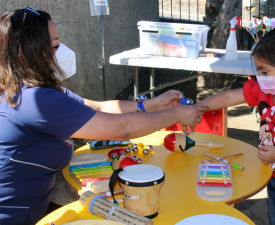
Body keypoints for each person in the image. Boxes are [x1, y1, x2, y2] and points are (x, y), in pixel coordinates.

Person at [0, 8, 208, 225]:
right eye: (54, 45)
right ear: (32, 51)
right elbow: (122, 129)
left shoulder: (27, 89)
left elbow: (96, 108)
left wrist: (152, 104)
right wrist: (175, 114)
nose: (60, 51)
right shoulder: (34, 99)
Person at [192, 26, 275, 225]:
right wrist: (197, 108)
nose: (259, 77)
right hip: (272, 174)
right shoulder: (264, 89)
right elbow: (230, 96)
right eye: (258, 71)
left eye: (264, 71)